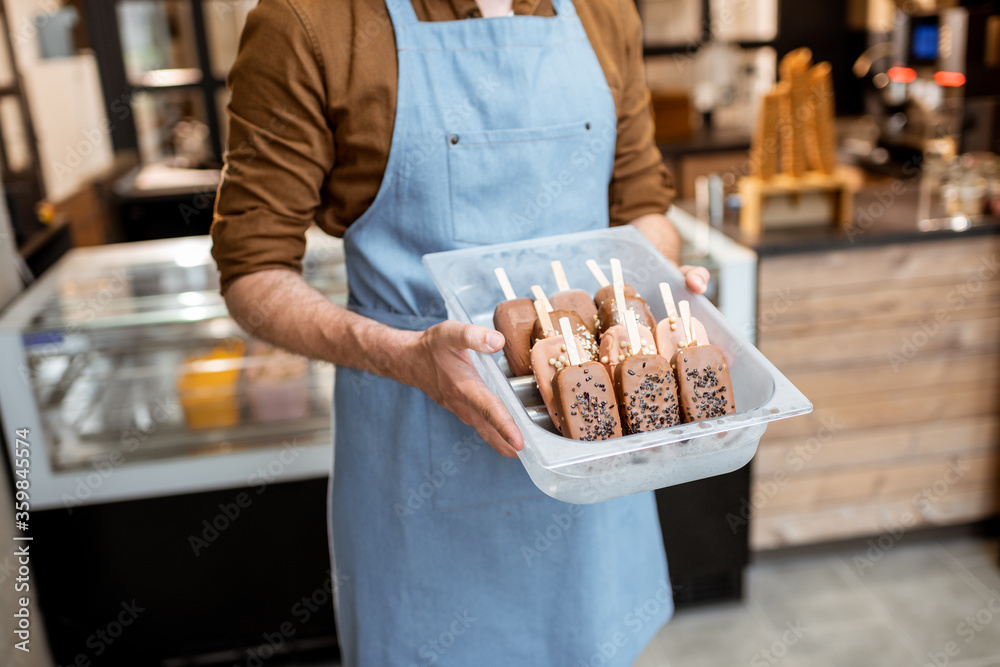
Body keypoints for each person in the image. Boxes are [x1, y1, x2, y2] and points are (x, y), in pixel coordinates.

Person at [211, 0, 710, 663]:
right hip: (418, 456)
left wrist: (650, 285)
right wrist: (405, 355)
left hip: (594, 458)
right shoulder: (308, 22)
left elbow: (642, 202)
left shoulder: (603, 11)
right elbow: (253, 269)